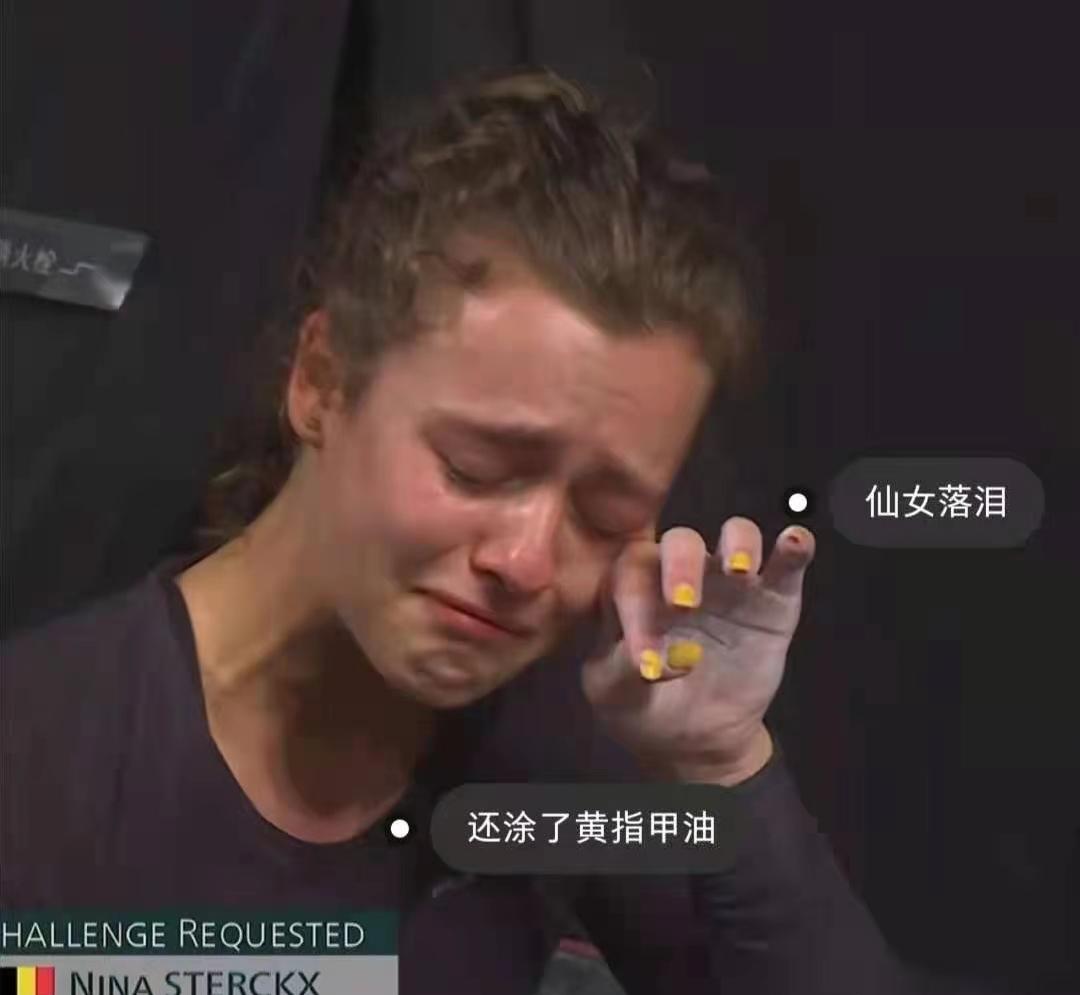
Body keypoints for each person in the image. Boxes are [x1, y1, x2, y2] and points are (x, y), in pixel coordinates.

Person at [1, 68, 918, 994]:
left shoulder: (559, 750)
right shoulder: (42, 770)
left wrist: (724, 760)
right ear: (322, 381)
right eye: (474, 469)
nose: (526, 562)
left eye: (604, 514)